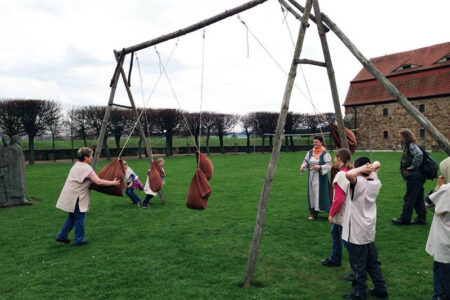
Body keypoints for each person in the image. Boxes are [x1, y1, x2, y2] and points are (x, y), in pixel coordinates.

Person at [341, 157, 388, 299]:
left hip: (356, 231)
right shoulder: (374, 180)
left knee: (358, 264)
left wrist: (361, 169)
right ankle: (381, 289)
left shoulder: (358, 182)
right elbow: (378, 163)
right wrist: (369, 167)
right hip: (368, 229)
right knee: (373, 262)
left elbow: (348, 175)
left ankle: (358, 293)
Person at [55, 147, 120, 246]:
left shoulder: (76, 165)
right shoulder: (86, 168)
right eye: (91, 156)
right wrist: (113, 183)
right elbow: (98, 181)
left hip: (69, 194)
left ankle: (61, 236)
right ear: (85, 157)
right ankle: (79, 240)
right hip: (76, 196)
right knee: (80, 217)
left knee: (72, 217)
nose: (92, 157)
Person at [321, 148, 352, 267]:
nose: (334, 159)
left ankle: (358, 270)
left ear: (339, 158)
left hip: (342, 213)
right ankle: (335, 258)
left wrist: (331, 213)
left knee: (347, 241)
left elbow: (338, 199)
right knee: (335, 232)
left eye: (335, 157)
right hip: (347, 212)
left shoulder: (341, 175)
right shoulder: (350, 172)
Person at [425, 157, 450, 300]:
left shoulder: (446, 190)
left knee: (442, 271)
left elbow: (429, 203)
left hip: (444, 240)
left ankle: (440, 295)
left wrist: (437, 188)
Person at [392, 129, 426, 225]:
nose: (399, 139)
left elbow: (419, 154)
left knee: (409, 198)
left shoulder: (411, 145)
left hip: (414, 176)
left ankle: (405, 219)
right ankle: (421, 219)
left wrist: (412, 166)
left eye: (400, 137)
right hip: (416, 176)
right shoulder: (407, 146)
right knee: (418, 198)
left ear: (405, 137)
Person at [300, 136, 332, 219]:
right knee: (312, 194)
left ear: (321, 143)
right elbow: (305, 162)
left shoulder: (325, 153)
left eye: (317, 142)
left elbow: (329, 165)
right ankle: (313, 212)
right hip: (311, 177)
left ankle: (330, 213)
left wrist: (320, 167)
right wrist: (303, 167)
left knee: (322, 193)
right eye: (314, 142)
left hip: (321, 177)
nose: (315, 144)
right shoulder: (310, 152)